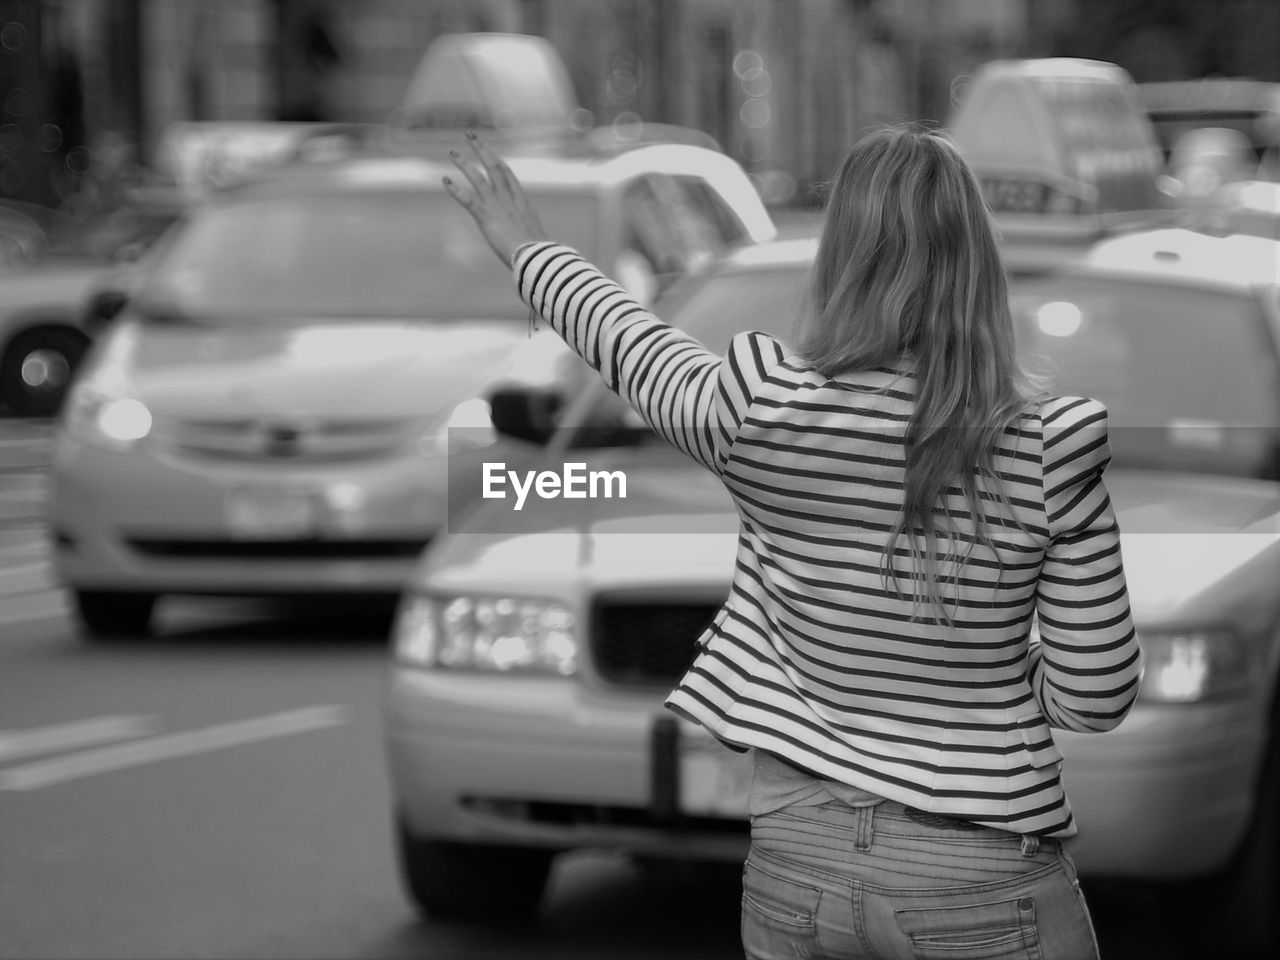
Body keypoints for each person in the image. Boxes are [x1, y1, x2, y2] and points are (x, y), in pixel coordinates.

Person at [445, 125, 1141, 960]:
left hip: (796, 867)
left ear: (840, 256)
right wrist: (989, 661)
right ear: (977, 265)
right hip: (977, 875)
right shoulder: (1046, 450)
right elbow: (1093, 699)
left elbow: (627, 343)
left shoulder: (757, 412)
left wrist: (526, 244)